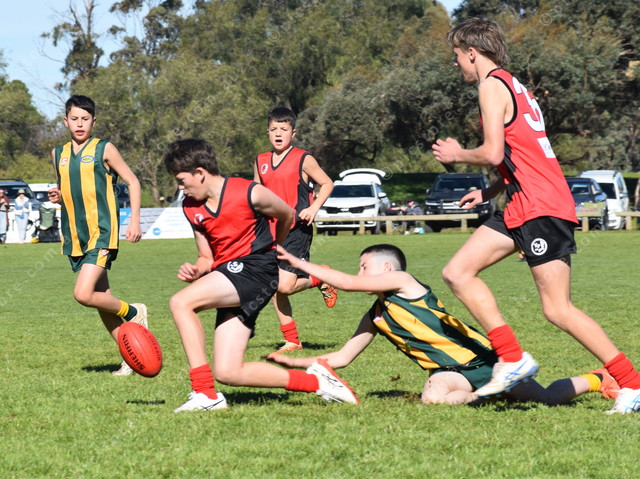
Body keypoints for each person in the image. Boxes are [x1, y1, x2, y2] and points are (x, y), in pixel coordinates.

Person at [431, 17, 640, 413]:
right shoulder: (513, 84)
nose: (455, 63)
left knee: (558, 309)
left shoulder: (490, 86)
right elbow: (521, 152)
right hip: (521, 202)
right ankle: (511, 357)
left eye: (456, 55)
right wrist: (490, 191)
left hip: (541, 206)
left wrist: (458, 153)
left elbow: (493, 152)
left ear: (472, 52)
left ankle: (632, 383)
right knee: (457, 272)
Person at [268, 243, 619, 406]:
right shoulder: (375, 315)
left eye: (364, 266)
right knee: (434, 399)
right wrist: (294, 362)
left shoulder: (404, 282)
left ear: (387, 269)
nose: (359, 273)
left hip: (487, 359)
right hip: (452, 372)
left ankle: (597, 378)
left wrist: (302, 264)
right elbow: (343, 357)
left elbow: (345, 283)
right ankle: (485, 396)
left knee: (546, 399)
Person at [164, 138, 358, 412]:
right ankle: (318, 381)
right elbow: (206, 257)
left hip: (256, 270)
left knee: (180, 302)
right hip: (230, 276)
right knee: (229, 372)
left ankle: (204, 392)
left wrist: (275, 247)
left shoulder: (249, 192)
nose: (180, 188)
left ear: (200, 172)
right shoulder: (190, 207)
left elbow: (286, 214)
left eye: (182, 181)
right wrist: (197, 269)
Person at [47, 94, 147, 377]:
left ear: (94, 121)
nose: (80, 124)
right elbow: (67, 188)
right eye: (74, 119)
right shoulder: (57, 153)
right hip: (75, 235)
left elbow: (133, 182)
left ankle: (134, 312)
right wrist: (57, 196)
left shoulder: (105, 148)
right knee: (102, 300)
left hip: (102, 232)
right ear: (65, 121)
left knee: (83, 294)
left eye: (85, 119)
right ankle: (131, 357)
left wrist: (134, 221)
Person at [254, 106, 338, 354]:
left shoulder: (303, 158)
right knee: (273, 285)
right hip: (270, 231)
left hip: (296, 229)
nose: (278, 133)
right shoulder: (260, 161)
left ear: (293, 133)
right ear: (268, 132)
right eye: (274, 129)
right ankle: (292, 340)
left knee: (284, 286)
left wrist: (313, 208)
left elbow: (327, 183)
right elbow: (256, 194)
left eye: (284, 129)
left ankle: (320, 277)